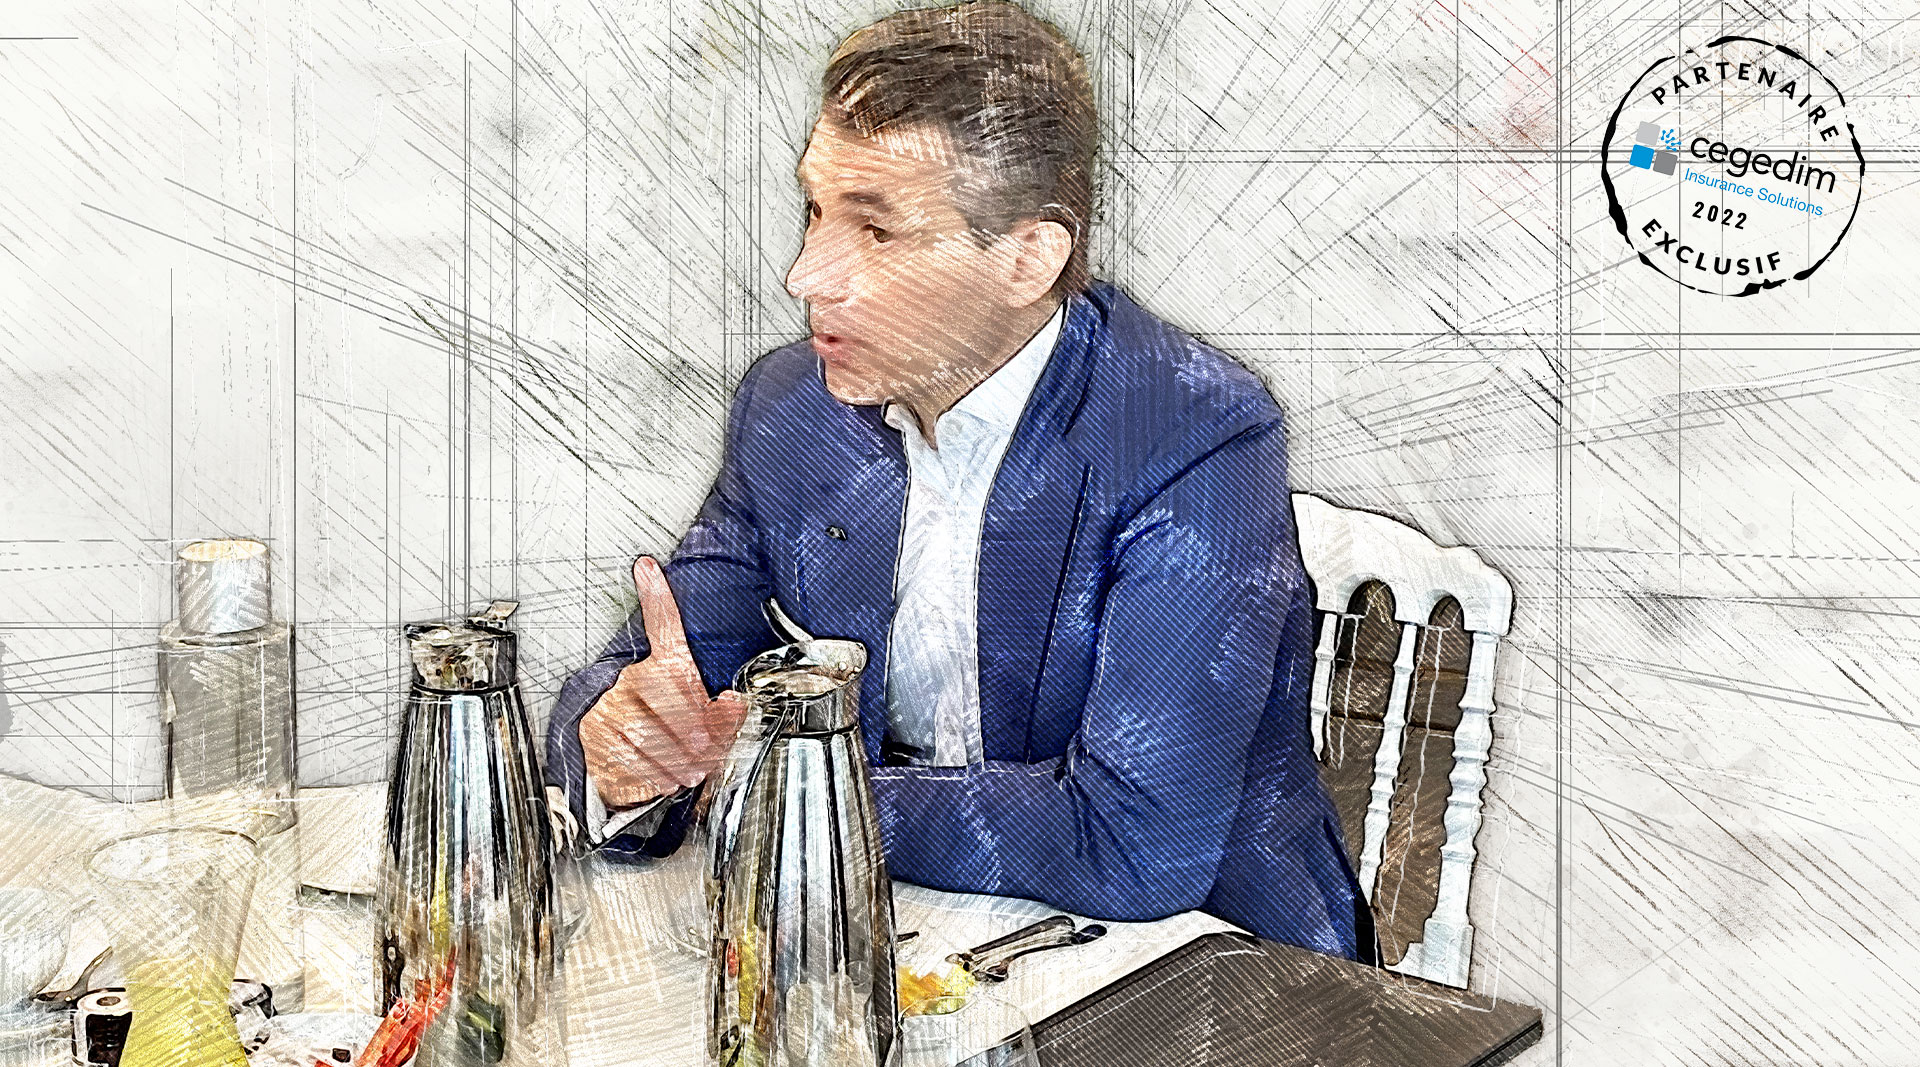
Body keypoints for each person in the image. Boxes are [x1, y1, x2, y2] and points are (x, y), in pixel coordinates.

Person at [545, 0, 1367, 959]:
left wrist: (780, 783)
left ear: (1027, 259)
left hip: (1214, 970)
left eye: (876, 230)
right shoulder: (791, 407)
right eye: (815, 211)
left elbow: (1135, 842)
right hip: (911, 935)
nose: (805, 275)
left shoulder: (1194, 431)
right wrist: (621, 746)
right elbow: (658, 672)